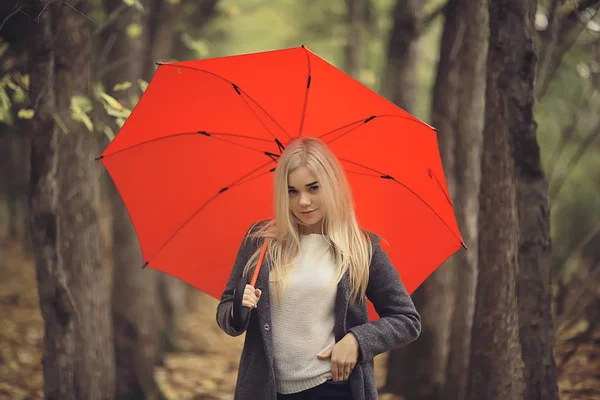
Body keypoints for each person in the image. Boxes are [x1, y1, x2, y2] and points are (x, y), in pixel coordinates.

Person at [216, 137, 421, 400]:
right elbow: (226, 310)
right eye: (292, 191)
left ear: (332, 186)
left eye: (313, 188)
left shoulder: (362, 248)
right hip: (264, 390)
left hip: (334, 389)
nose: (303, 201)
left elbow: (407, 319)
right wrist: (237, 310)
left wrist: (358, 340)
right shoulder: (261, 241)